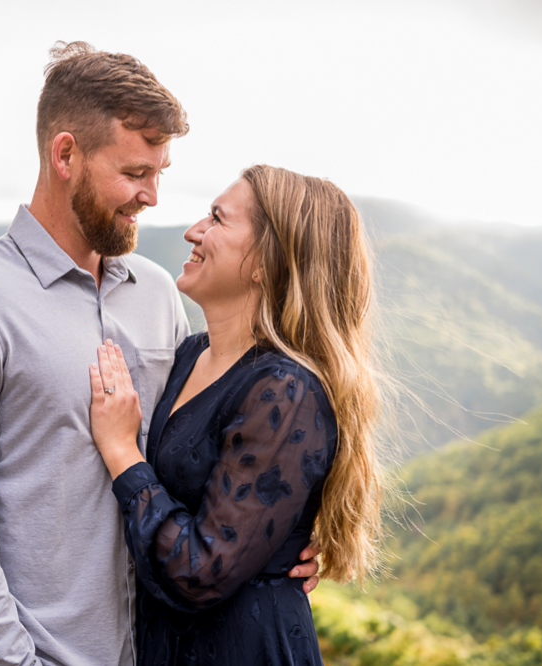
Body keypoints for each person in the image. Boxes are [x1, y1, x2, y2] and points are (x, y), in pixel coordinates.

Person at [0, 43, 319, 666]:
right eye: (133, 173)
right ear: (65, 154)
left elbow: (202, 453)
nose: (152, 196)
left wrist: (287, 534)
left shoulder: (157, 294)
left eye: (160, 174)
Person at [89, 165, 383, 665]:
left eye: (217, 219)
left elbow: (197, 572)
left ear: (266, 262)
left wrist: (121, 452)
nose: (193, 231)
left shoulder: (285, 392)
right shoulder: (189, 356)